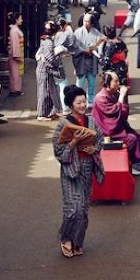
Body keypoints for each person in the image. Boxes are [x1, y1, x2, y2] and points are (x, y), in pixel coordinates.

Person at [52, 86, 104, 258]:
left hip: (87, 166)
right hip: (70, 168)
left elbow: (100, 138)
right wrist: (73, 142)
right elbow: (58, 151)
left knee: (82, 208)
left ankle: (77, 241)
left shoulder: (91, 121)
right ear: (71, 104)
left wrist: (93, 148)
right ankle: (66, 237)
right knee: (72, 209)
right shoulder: (63, 124)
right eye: (79, 102)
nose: (83, 105)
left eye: (84, 101)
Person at [92, 71, 140, 175]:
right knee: (132, 139)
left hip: (114, 127)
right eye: (115, 81)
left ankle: (132, 163)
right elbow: (113, 112)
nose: (118, 83)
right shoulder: (101, 97)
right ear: (107, 83)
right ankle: (129, 165)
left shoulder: (113, 93)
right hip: (106, 130)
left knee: (137, 136)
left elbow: (122, 113)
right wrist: (121, 96)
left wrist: (123, 98)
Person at [70, 13, 105, 96]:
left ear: (92, 23)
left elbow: (102, 40)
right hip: (81, 61)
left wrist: (98, 50)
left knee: (92, 83)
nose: (85, 23)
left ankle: (90, 101)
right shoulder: (77, 32)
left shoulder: (96, 32)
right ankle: (77, 99)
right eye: (84, 21)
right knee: (79, 84)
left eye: (87, 21)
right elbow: (74, 46)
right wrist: (84, 50)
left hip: (92, 61)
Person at [34, 21, 63, 120]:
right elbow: (50, 58)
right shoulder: (48, 42)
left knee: (50, 91)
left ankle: (50, 112)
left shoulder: (45, 39)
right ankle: (41, 114)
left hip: (46, 69)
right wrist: (58, 60)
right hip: (44, 69)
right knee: (44, 92)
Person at [53, 18, 74, 110]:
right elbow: (70, 43)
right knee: (63, 84)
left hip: (50, 64)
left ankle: (55, 107)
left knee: (52, 87)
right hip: (57, 64)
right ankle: (65, 107)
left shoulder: (52, 36)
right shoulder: (63, 34)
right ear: (63, 26)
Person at [8, 12, 25, 96]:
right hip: (15, 54)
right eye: (20, 18)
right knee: (15, 73)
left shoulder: (14, 29)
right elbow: (15, 45)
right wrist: (17, 55)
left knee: (16, 72)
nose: (21, 20)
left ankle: (16, 89)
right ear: (16, 20)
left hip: (18, 52)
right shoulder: (14, 31)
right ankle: (14, 90)